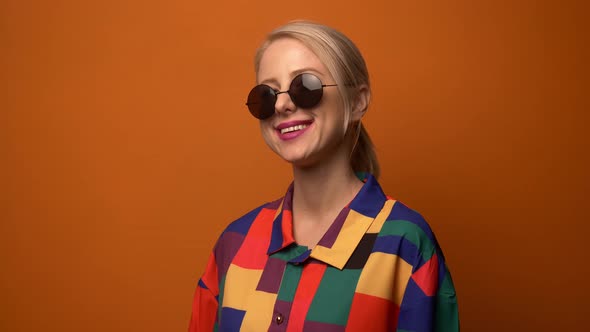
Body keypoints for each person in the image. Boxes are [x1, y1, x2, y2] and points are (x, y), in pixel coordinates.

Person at [189, 21, 459, 331]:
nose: (282, 104)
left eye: (305, 86)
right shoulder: (235, 242)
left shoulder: (405, 243)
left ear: (357, 101)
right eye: (267, 94)